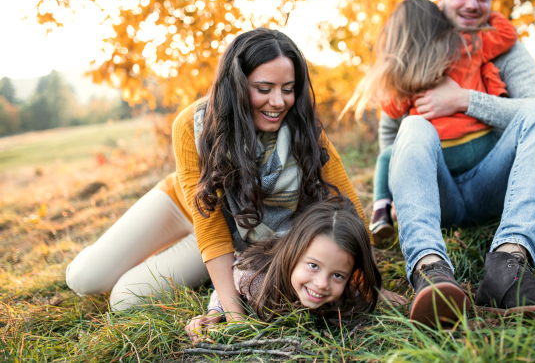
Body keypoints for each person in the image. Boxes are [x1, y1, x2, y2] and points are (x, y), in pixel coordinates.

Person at [65, 28, 405, 315]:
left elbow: (343, 196)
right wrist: (232, 309)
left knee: (124, 299)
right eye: (263, 89)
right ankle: (148, 248)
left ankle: (182, 260)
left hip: (237, 236)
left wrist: (370, 286)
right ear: (237, 83)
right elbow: (207, 217)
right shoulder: (194, 123)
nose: (278, 102)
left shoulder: (301, 125)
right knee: (83, 278)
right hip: (186, 206)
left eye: (288, 89)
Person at [370, 0, 535, 326]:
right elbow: (391, 128)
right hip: (438, 193)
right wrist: (403, 183)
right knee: (414, 126)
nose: (472, 4)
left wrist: (465, 99)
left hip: (491, 182)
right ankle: (429, 269)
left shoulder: (496, 45)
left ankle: (508, 267)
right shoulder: (418, 42)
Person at [347, 0, 517, 245]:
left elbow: (394, 111)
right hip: (482, 147)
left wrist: (392, 84)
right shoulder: (466, 44)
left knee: (386, 157)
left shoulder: (408, 69)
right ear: (440, 23)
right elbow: (506, 34)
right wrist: (487, 12)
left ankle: (381, 210)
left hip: (441, 155)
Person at [186, 197, 381, 342]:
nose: (322, 284)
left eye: (338, 275)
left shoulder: (345, 295)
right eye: (313, 266)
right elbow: (230, 278)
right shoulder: (254, 279)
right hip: (219, 241)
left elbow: (361, 292)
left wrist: (377, 293)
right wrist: (215, 310)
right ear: (294, 255)